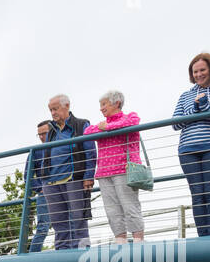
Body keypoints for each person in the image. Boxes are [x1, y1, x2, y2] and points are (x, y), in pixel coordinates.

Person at [173, 53, 210, 237]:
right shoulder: (185, 96)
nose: (198, 74)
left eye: (202, 70)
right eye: (195, 71)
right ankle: (202, 236)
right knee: (197, 194)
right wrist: (195, 110)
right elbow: (175, 123)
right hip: (188, 149)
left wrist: (206, 107)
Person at [84, 90, 145, 242]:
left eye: (104, 104)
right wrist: (105, 127)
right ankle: (121, 242)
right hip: (104, 172)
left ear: (116, 103)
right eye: (100, 105)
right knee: (112, 210)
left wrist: (106, 128)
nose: (101, 108)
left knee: (130, 206)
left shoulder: (130, 116)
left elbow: (131, 122)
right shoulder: (103, 124)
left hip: (125, 169)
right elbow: (87, 131)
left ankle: (138, 241)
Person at [41, 95, 96, 250]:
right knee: (58, 223)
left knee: (79, 219)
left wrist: (88, 176)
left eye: (55, 108)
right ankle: (62, 256)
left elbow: (91, 152)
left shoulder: (81, 125)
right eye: (50, 110)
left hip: (74, 179)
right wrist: (44, 181)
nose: (52, 113)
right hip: (52, 183)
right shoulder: (51, 130)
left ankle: (84, 253)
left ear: (67, 106)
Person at [28, 120, 54, 252]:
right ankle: (31, 260)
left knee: (66, 225)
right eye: (39, 134)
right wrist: (40, 189)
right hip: (45, 193)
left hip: (63, 190)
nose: (42, 137)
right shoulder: (35, 152)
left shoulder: (61, 147)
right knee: (43, 227)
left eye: (44, 133)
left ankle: (65, 255)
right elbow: (28, 175)